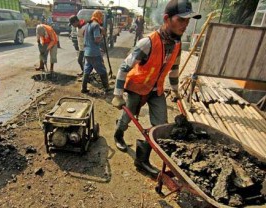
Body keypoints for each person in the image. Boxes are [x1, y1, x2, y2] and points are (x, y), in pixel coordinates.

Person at [111, 0, 201, 176]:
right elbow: (124, 67)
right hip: (137, 86)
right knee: (128, 116)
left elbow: (174, 71)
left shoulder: (177, 44)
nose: (186, 25)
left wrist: (175, 92)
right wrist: (117, 94)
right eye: (182, 20)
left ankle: (142, 159)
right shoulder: (148, 43)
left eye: (188, 20)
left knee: (160, 127)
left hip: (156, 89)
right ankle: (118, 134)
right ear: (167, 18)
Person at [81, 10, 110, 93]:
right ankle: (106, 87)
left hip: (87, 52)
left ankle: (83, 88)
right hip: (94, 53)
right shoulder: (96, 25)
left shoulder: (88, 25)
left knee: (86, 71)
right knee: (102, 70)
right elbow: (97, 40)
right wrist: (102, 33)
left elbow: (85, 35)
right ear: (99, 17)